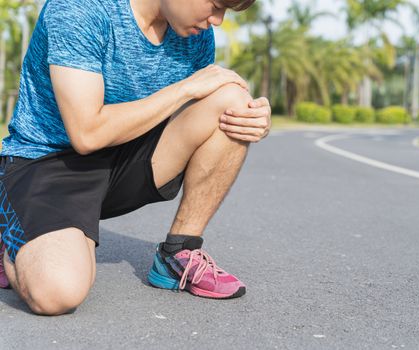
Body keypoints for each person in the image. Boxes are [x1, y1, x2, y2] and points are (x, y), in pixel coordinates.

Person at [0, 0, 271, 316]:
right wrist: (186, 89)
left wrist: (251, 120)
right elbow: (87, 134)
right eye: (215, 5)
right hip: (49, 163)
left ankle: (178, 253)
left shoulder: (195, 34)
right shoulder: (80, 9)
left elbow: (198, 108)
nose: (218, 20)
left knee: (233, 100)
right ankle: (12, 239)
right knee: (57, 293)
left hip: (124, 158)